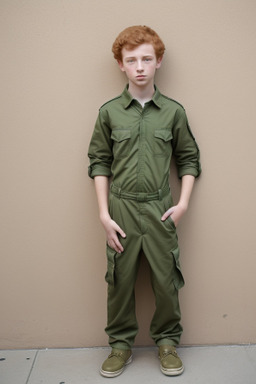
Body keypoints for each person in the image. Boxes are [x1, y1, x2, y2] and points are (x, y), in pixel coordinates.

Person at [88, 25, 201, 378]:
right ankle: (120, 345)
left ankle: (167, 342)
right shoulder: (109, 113)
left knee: (166, 280)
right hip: (120, 207)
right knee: (120, 280)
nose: (139, 66)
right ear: (121, 65)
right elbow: (98, 162)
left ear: (159, 62)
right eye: (131, 60)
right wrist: (104, 215)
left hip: (159, 208)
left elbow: (189, 160)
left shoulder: (173, 112)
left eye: (147, 59)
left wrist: (182, 205)